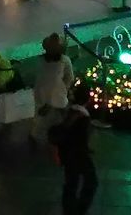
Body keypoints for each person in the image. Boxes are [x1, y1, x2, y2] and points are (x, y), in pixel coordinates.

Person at [53, 85, 97, 215]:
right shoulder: (82, 116)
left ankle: (68, 210)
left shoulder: (69, 112)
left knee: (71, 182)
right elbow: (80, 138)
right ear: (88, 99)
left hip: (67, 154)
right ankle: (79, 210)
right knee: (91, 182)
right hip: (78, 155)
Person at [31, 33, 74, 145]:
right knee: (41, 123)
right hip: (43, 97)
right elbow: (40, 81)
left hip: (58, 97)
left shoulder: (64, 61)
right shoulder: (41, 61)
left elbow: (69, 78)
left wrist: (64, 89)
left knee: (57, 121)